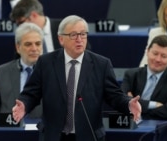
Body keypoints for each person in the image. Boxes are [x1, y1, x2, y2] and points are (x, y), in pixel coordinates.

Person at [12, 15, 141, 141]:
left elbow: (115, 96)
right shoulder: (46, 62)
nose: (79, 39)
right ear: (61, 39)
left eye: (83, 34)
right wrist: (24, 105)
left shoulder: (101, 64)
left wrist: (128, 104)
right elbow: (31, 93)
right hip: (53, 135)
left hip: (88, 135)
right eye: (73, 35)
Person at [121, 35, 167, 120]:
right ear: (147, 51)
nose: (158, 59)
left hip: (160, 126)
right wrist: (153, 105)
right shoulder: (131, 74)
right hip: (131, 123)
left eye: (163, 56)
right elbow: (121, 101)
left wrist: (136, 105)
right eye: (155, 53)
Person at [0, 22, 43, 118]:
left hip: (42, 130)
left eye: (38, 44)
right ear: (18, 47)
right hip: (10, 130)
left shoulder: (52, 72)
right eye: (28, 44)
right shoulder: (1, 72)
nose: (34, 49)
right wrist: (4, 124)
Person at [10, 0, 91, 54]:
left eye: (21, 23)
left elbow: (85, 52)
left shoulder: (66, 27)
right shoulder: (23, 37)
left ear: (33, 15)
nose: (20, 27)